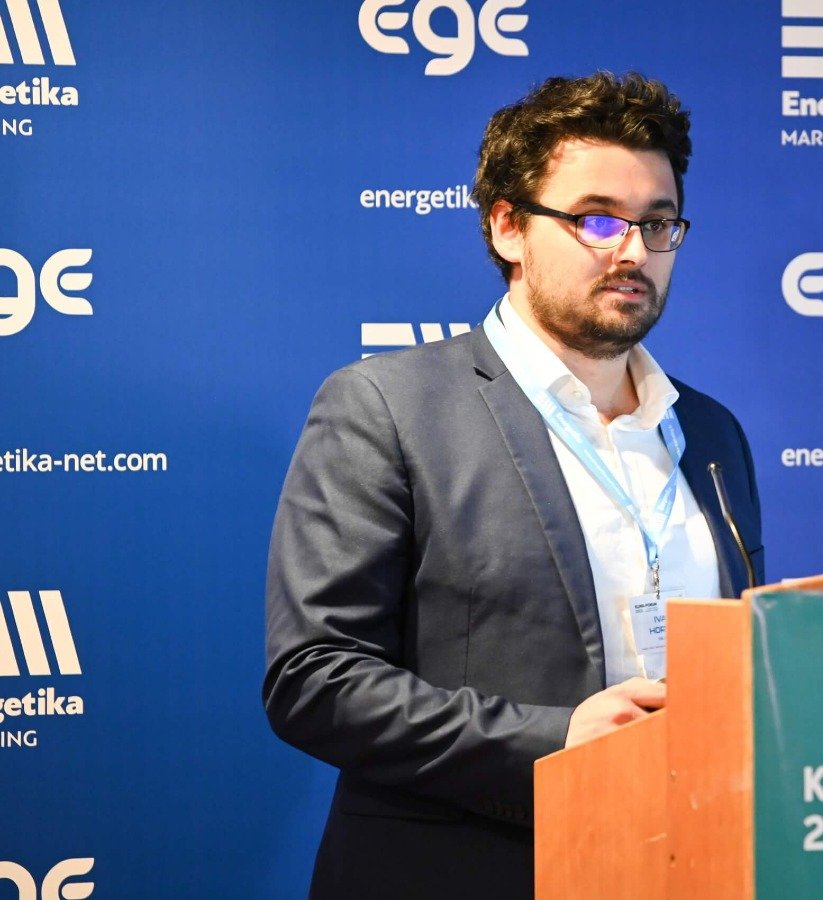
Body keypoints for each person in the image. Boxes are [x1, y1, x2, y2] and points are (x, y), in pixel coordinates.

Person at [263, 71, 763, 899]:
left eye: (657, 222)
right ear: (508, 227)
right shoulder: (386, 407)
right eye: (596, 219)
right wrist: (557, 740)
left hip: (686, 863)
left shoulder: (711, 432)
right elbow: (315, 679)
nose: (633, 251)